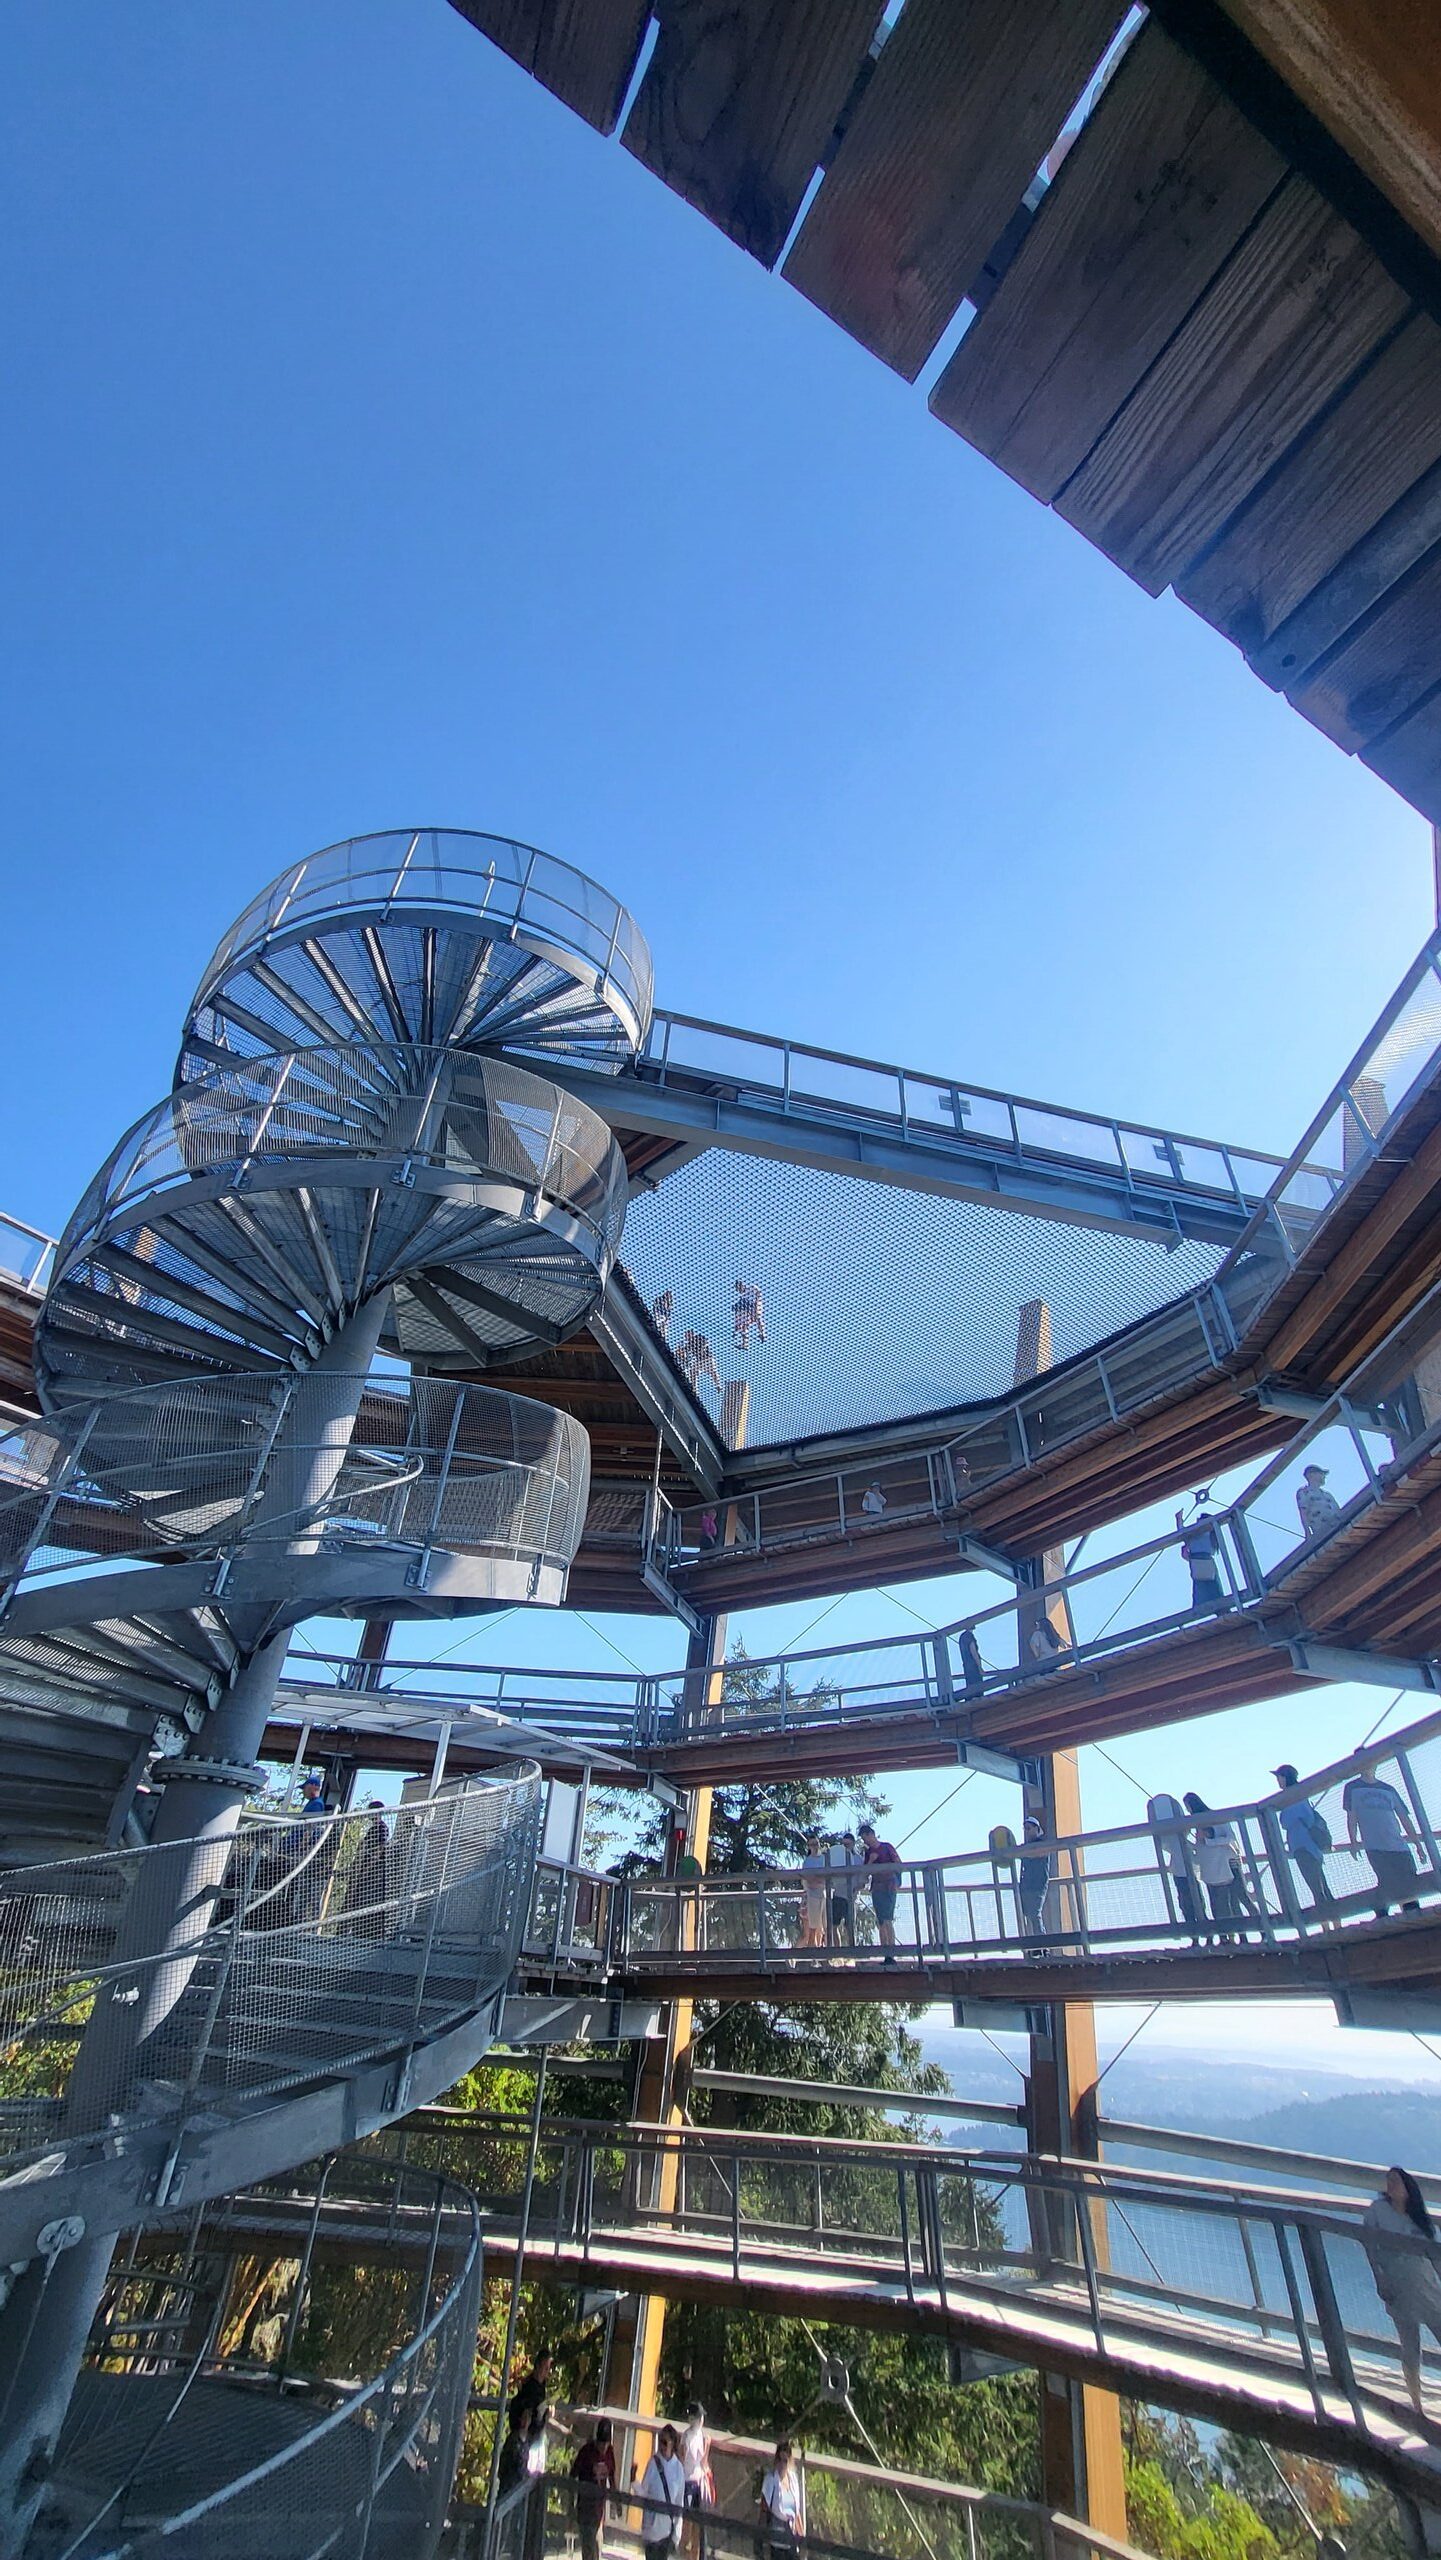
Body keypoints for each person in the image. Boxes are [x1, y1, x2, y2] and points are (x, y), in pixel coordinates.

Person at [1363, 2166, 1441, 2409]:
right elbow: (1369, 2246)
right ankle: (1417, 2402)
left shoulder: (1421, 2220)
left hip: (1428, 2288)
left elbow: (1436, 2258)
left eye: (1396, 2181)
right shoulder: (1377, 2210)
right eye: (1388, 2181)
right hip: (1398, 2289)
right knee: (1410, 2345)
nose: (1390, 2185)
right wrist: (1379, 2279)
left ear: (1409, 2188)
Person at [1343, 1759, 1423, 1915]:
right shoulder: (1352, 1788)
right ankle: (1382, 1915)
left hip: (1398, 1846)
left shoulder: (1388, 1789)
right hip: (1375, 1846)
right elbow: (1351, 1817)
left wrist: (1417, 1844)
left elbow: (1404, 1818)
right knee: (1387, 1882)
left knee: (1409, 1882)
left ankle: (1412, 1916)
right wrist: (1353, 1841)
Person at [1184, 1792, 1254, 1939]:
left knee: (1240, 1897)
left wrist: (1210, 1839)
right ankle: (1232, 1936)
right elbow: (1202, 1848)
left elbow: (1230, 1839)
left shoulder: (1217, 1818)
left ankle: (1262, 1928)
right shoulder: (1198, 1823)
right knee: (1222, 1904)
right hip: (1214, 1868)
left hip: (1230, 1862)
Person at [1270, 1764, 1335, 1916]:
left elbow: (1286, 1821)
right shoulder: (1300, 1795)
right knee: (1320, 1885)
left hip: (1303, 1847)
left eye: (1279, 1777)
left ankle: (1328, 1920)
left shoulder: (1292, 1798)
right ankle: (1333, 1920)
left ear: (1285, 1778)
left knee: (1316, 1887)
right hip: (1310, 1847)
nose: (1278, 1781)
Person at [1146, 1792, 1201, 1933]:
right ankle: (1201, 1934)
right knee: (1194, 1902)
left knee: (1188, 1903)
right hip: (1184, 1870)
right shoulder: (1184, 1841)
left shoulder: (1171, 1842)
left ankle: (1197, 1934)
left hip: (1181, 1870)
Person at [340, 1798, 392, 1935]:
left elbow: (380, 1847)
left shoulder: (382, 1828)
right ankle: (345, 1928)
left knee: (360, 1898)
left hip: (371, 1870)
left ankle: (355, 1929)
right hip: (362, 1867)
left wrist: (368, 1867)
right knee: (352, 1897)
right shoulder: (372, 1828)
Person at [637, 2424, 686, 2558]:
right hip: (651, 2530)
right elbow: (644, 2492)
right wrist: (633, 2482)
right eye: (660, 2441)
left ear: (672, 2444)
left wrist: (677, 2534)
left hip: (667, 2531)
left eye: (665, 2442)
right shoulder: (653, 2463)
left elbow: (679, 2504)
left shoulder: (678, 2469)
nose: (662, 2446)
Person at [572, 2420, 617, 2560]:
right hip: (585, 2508)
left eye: (606, 2443)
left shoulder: (610, 2453)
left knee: (597, 2545)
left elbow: (612, 2477)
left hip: (599, 2509)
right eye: (601, 2443)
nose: (603, 2447)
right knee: (588, 2546)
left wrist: (617, 2502)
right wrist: (570, 2507)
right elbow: (572, 2476)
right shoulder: (586, 2452)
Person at [858, 1821, 902, 1962]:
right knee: (881, 1920)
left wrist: (896, 1880)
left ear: (871, 1834)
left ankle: (891, 1951)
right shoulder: (868, 1853)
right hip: (877, 1888)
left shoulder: (886, 1847)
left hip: (889, 1886)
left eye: (866, 1838)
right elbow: (865, 1872)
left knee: (888, 1918)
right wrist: (871, 1861)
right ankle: (885, 1952)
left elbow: (898, 1864)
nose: (866, 1842)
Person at [1178, 1507, 1227, 1610]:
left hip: (1199, 1560)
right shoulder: (1209, 1534)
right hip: (1204, 1560)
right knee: (1212, 1587)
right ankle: (1221, 1609)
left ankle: (1201, 1610)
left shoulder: (1200, 1533)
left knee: (1201, 1587)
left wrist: (1179, 1519)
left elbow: (1182, 1533)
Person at [679, 2403, 714, 2547]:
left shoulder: (701, 2435)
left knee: (698, 2526)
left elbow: (703, 2462)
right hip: (688, 2482)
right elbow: (682, 2460)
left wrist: (707, 2447)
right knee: (687, 2523)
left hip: (699, 2483)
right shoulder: (686, 2437)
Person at [759, 2440, 805, 2549]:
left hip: (791, 2537)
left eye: (785, 2460)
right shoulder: (771, 2479)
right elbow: (763, 2509)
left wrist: (802, 2537)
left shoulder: (793, 2479)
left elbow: (796, 2511)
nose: (782, 2464)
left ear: (789, 2461)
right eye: (779, 2459)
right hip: (776, 2536)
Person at [1018, 1814, 1051, 1944]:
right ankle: (1033, 1946)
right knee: (1027, 1915)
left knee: (1035, 1915)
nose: (1027, 1831)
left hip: (1038, 1885)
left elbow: (1035, 1854)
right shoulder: (1025, 1846)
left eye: (1029, 1828)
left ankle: (1042, 1946)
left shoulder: (1042, 1844)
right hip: (1026, 1885)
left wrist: (1022, 1852)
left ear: (1037, 1829)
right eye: (1025, 1828)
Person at [1295, 1463, 1342, 1542]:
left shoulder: (1327, 1494)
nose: (1324, 1476)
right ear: (1311, 1475)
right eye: (1321, 1473)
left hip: (1338, 1526)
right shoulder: (1304, 1492)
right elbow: (1303, 1513)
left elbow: (1339, 1511)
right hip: (1322, 1532)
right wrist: (1308, 1532)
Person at [797, 1832, 828, 1950]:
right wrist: (816, 1880)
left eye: (816, 1844)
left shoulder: (825, 1859)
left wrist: (819, 1880)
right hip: (812, 1895)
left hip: (825, 1895)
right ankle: (811, 1954)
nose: (814, 1846)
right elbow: (807, 1879)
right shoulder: (808, 1861)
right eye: (811, 1845)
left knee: (825, 1927)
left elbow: (827, 1877)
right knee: (812, 1928)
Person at [826, 1833, 857, 1947]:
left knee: (850, 1926)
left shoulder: (857, 1859)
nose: (845, 1847)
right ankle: (837, 1952)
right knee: (834, 1925)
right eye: (843, 1844)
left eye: (847, 1844)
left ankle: (852, 1950)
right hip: (838, 1894)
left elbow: (862, 1878)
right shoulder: (837, 1857)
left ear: (853, 1844)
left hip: (851, 1897)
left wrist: (856, 1887)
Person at [498, 2410, 533, 2498]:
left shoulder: (529, 2440)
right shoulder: (513, 2438)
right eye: (524, 2418)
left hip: (520, 2482)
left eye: (528, 2419)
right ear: (520, 2419)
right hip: (509, 2480)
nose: (525, 2422)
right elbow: (504, 2459)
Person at [733, 1280, 766, 1349]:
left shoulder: (751, 1288)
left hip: (754, 1306)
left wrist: (756, 1303)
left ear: (742, 1285)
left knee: (757, 1318)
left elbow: (758, 1292)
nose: (739, 1291)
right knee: (744, 1325)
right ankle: (745, 1344)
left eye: (739, 1288)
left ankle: (762, 1334)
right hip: (748, 1310)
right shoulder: (742, 1296)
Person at [956, 1625, 985, 1701]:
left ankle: (970, 1698)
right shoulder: (969, 1636)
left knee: (970, 1684)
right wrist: (979, 1667)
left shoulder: (962, 1637)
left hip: (966, 1666)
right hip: (973, 1665)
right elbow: (973, 1651)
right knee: (977, 1685)